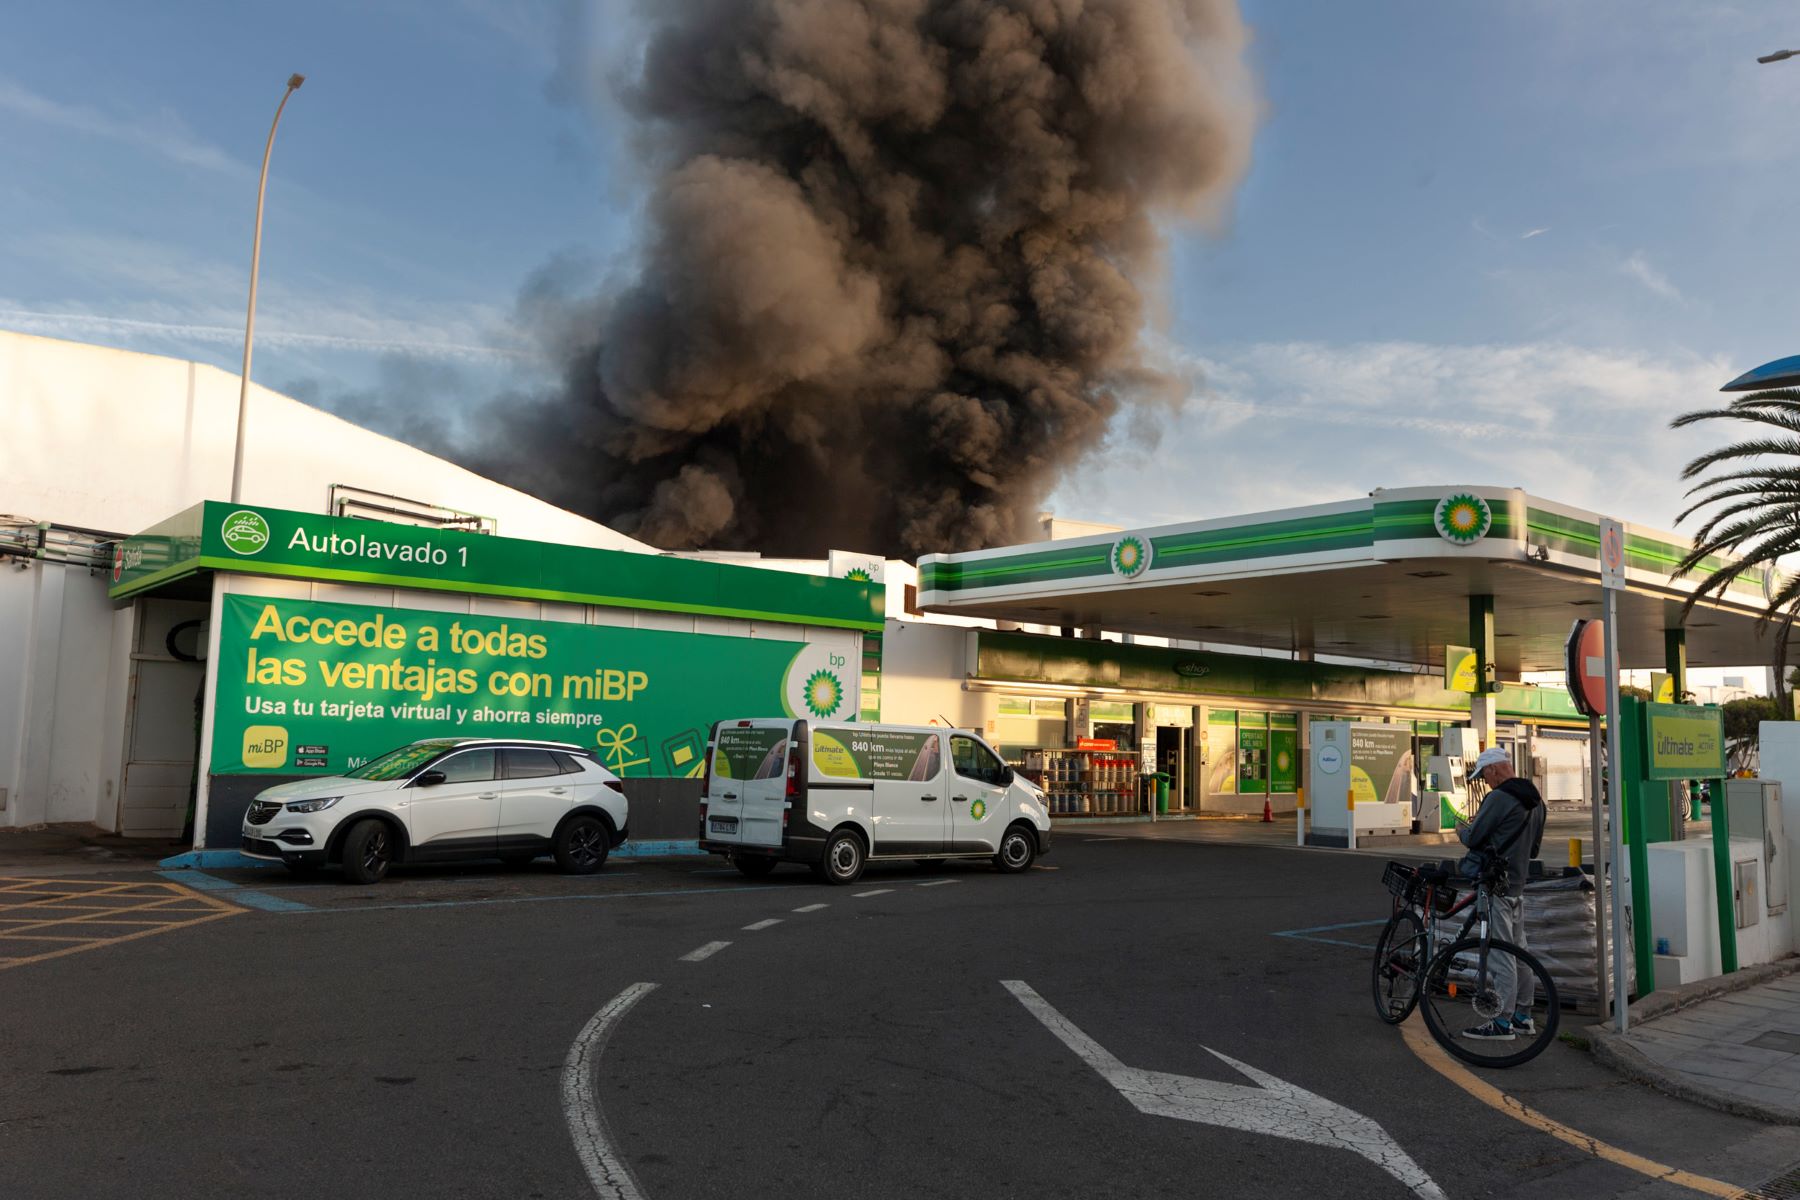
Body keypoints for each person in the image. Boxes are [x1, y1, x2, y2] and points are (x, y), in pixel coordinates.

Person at [1455, 745, 1547, 1041]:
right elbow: (1534, 849)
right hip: (1518, 887)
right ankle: (1523, 1015)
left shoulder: (1499, 798)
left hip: (1496, 887)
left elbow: (1473, 838)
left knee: (1500, 953)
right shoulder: (1535, 799)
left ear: (1495, 769)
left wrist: (1460, 828)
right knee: (1520, 952)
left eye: (1484, 776)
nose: (1485, 781)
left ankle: (1502, 1022)